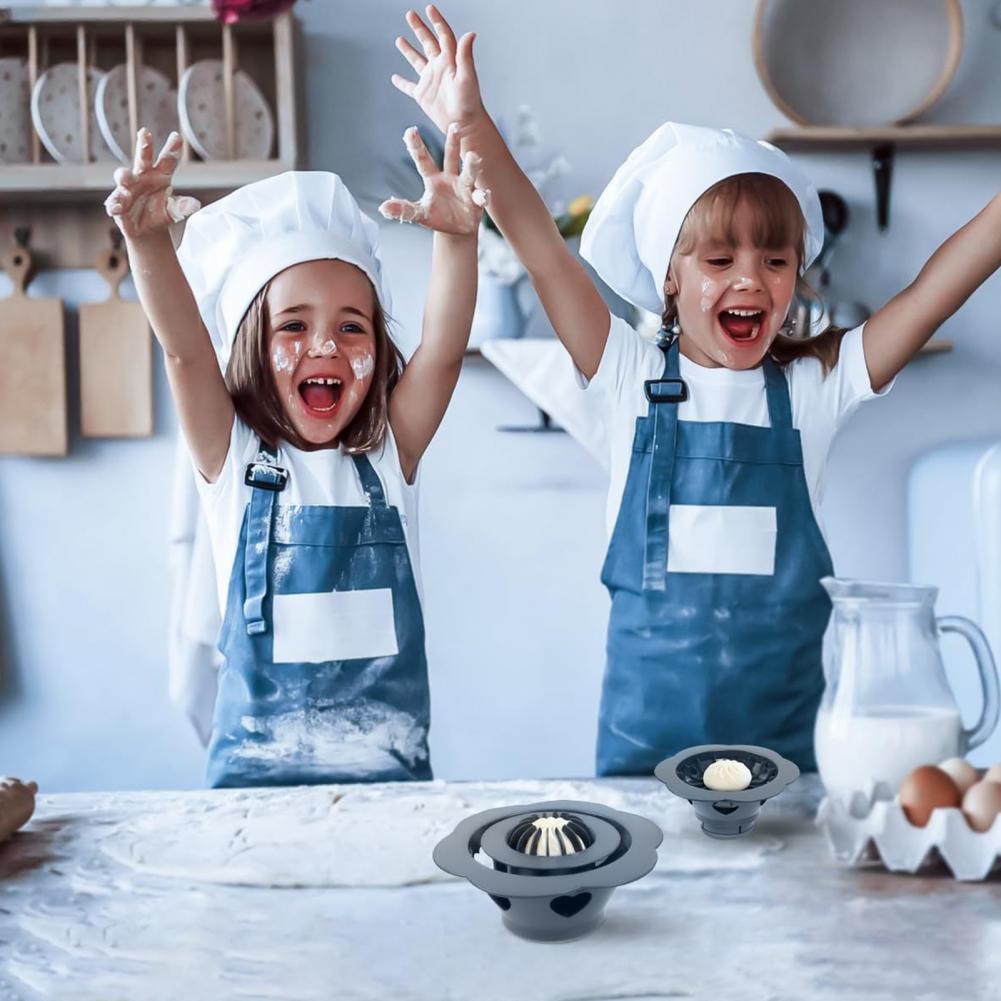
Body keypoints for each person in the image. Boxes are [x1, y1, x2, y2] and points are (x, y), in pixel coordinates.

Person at [391, 5, 1001, 774]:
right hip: (642, 764)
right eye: (719, 259)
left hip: (790, 768)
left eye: (774, 260)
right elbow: (544, 253)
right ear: (669, 278)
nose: (750, 277)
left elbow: (930, 294)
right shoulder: (627, 377)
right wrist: (470, 122)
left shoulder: (816, 386)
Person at [105, 124, 488, 786]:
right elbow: (185, 349)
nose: (324, 346)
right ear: (253, 343)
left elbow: (444, 350)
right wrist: (145, 242)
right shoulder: (232, 456)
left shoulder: (390, 452)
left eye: (350, 326)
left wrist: (457, 240)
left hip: (388, 790)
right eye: (293, 325)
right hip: (254, 791)